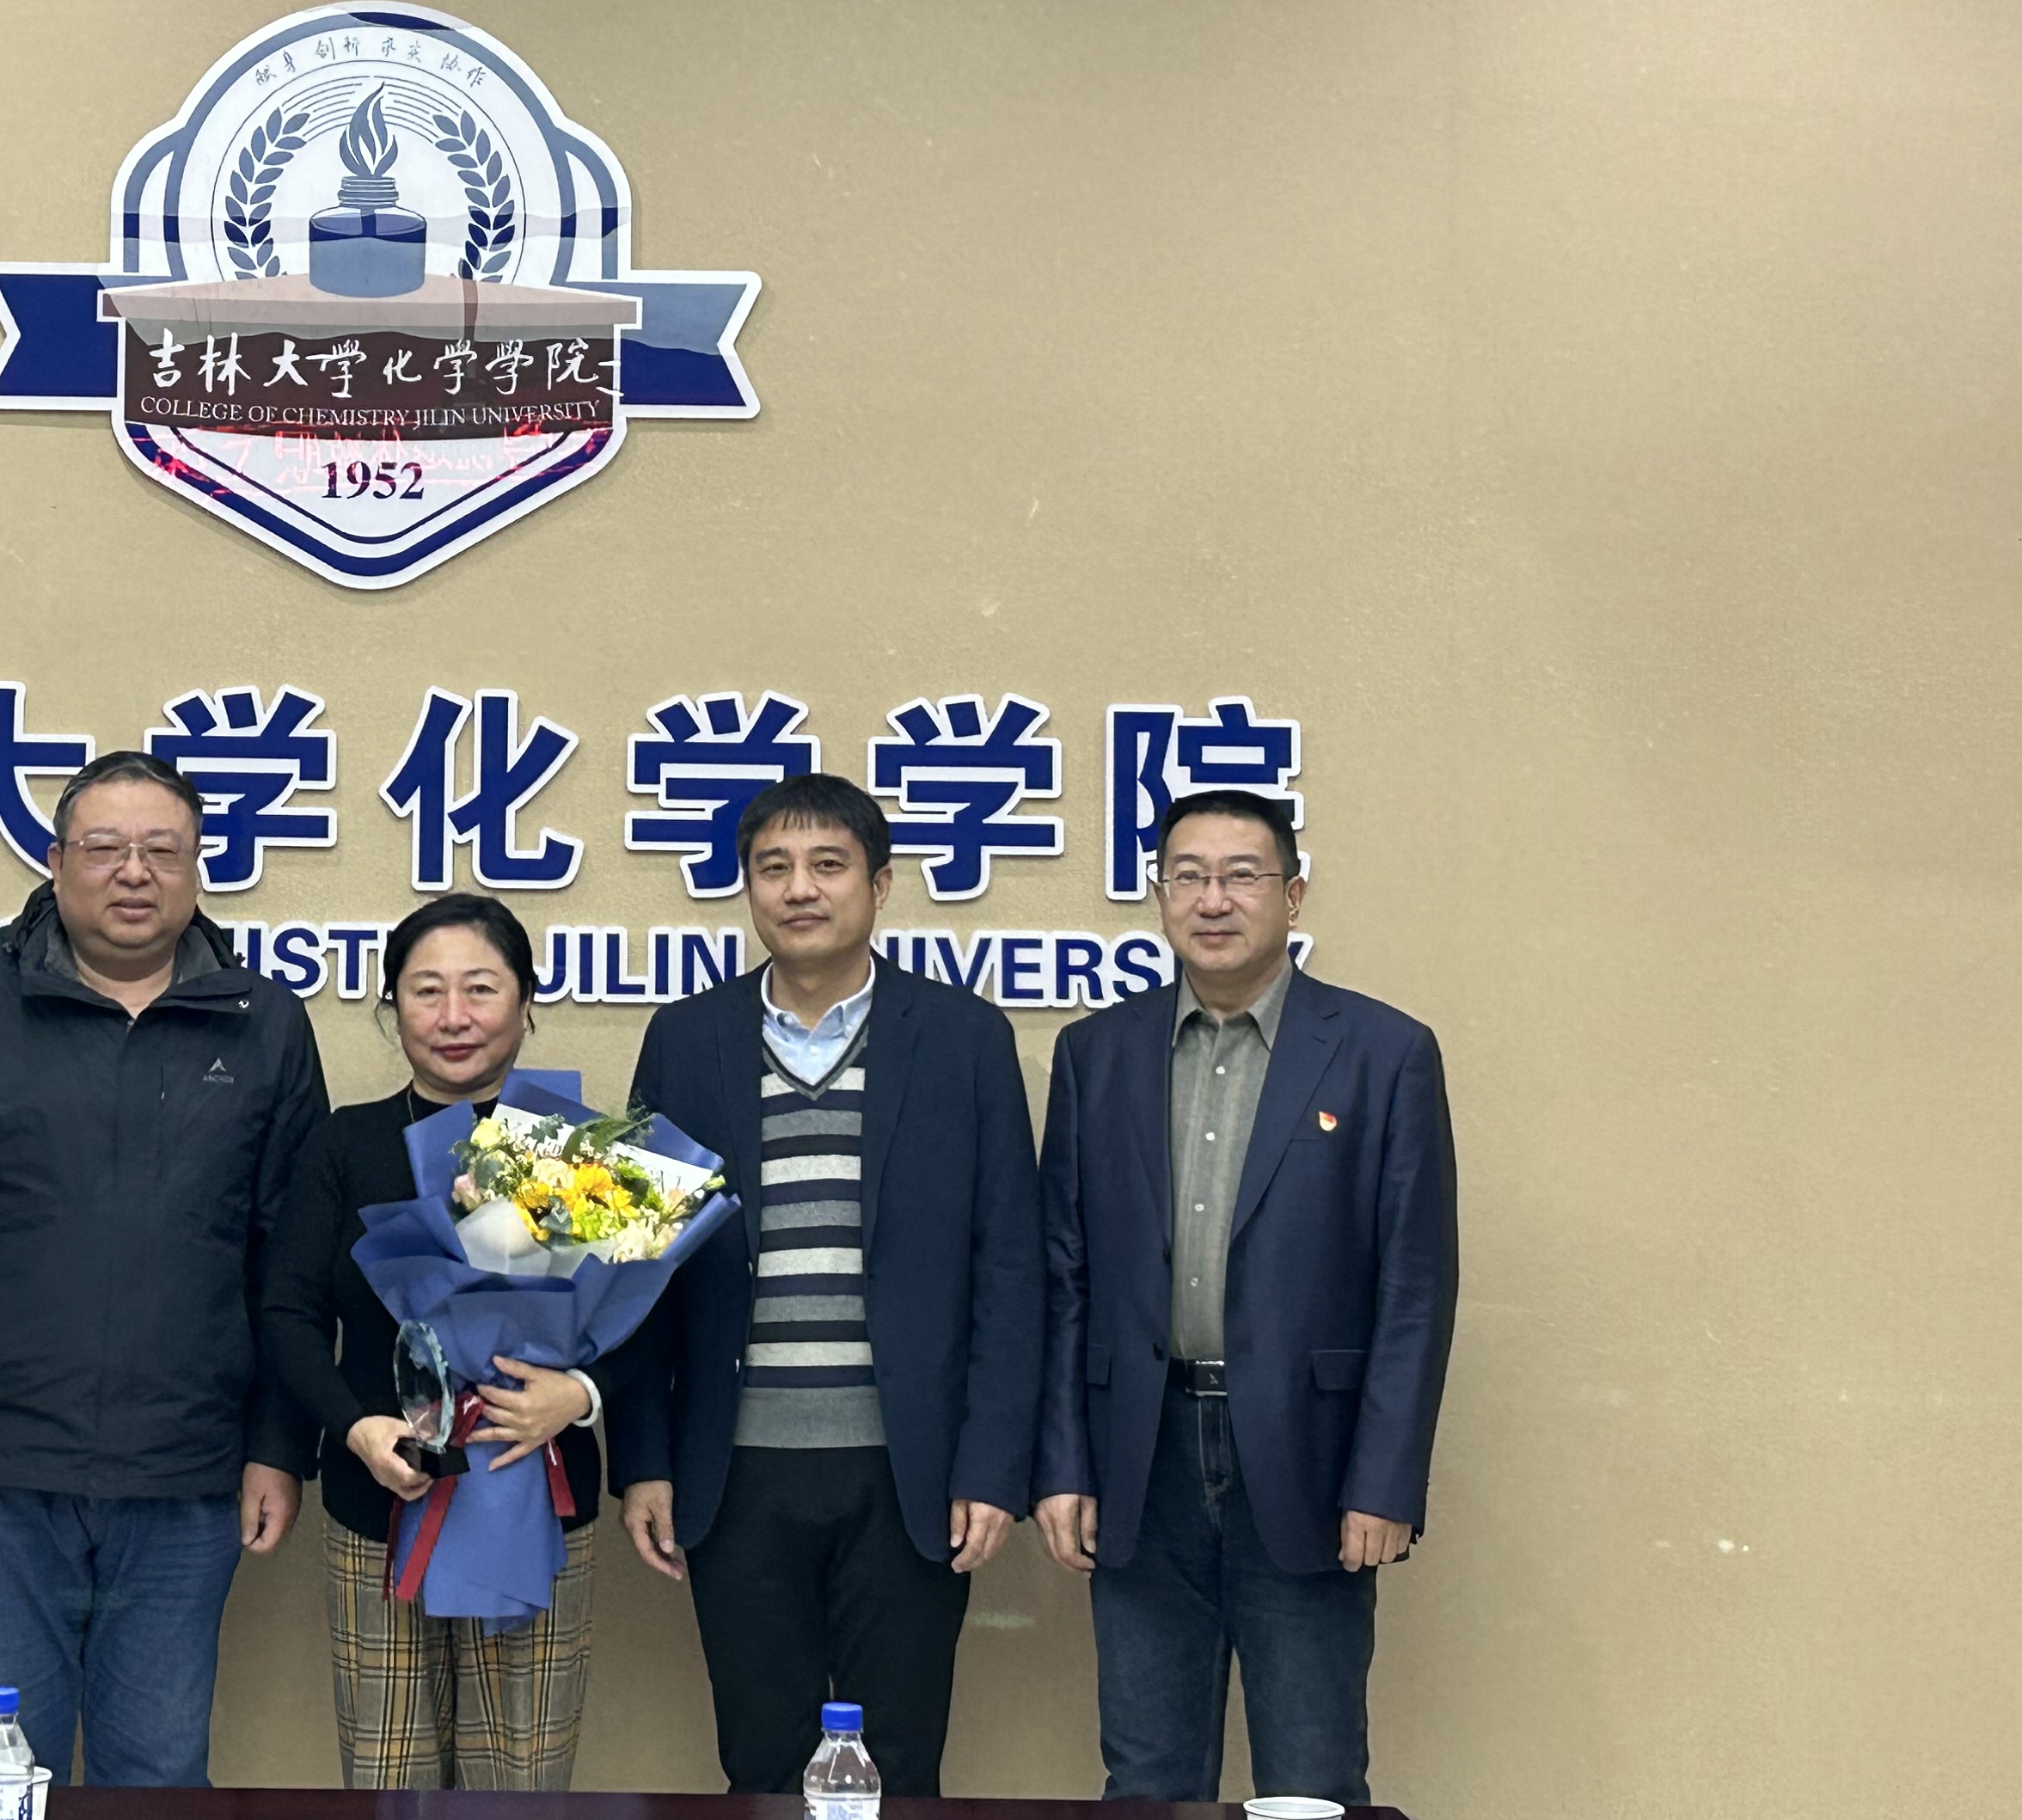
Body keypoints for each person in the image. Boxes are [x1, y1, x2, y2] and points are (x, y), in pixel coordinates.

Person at [0, 751, 328, 1787]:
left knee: (158, 1771)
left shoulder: (264, 1023)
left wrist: (278, 1448)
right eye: (105, 847)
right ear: (56, 861)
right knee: (0, 1773)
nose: (134, 872)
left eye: (163, 850)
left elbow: (291, 1267)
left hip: (189, 1474)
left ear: (198, 868)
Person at [605, 771, 1042, 1797]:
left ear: (880, 885)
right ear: (749, 888)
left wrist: (992, 1466)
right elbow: (637, 1273)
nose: (799, 888)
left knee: (901, 1764)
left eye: (828, 865)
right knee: (760, 1763)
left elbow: (1010, 1271)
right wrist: (645, 1460)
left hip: (908, 1473)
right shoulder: (687, 1040)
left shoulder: (965, 1039)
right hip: (736, 1469)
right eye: (774, 868)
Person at [1033, 789, 1458, 1809]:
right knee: (1147, 1779)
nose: (1212, 900)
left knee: (1312, 1782)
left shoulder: (1384, 1052)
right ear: (1160, 894)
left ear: (1293, 896)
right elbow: (1065, 1276)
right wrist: (1063, 1463)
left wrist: (1385, 1478)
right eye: (1187, 876)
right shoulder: (1097, 1055)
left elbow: (1414, 1286)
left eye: (1241, 876)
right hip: (1142, 1457)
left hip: (1310, 1461)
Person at [259, 894, 607, 1789]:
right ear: (393, 1008)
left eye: (481, 989)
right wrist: (354, 1427)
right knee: (389, 1781)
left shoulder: (572, 1149)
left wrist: (580, 1395)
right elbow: (289, 1311)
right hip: (379, 1503)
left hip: (537, 1503)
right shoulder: (346, 1143)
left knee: (522, 1786)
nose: (454, 1016)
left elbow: (641, 1324)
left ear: (526, 1003)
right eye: (427, 991)